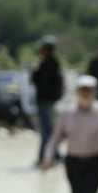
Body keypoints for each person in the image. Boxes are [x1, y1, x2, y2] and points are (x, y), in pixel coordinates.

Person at [31, 36, 64, 164]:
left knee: (46, 130)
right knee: (48, 129)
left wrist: (34, 74)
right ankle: (53, 155)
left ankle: (47, 156)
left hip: (45, 100)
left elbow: (41, 82)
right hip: (48, 100)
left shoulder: (48, 64)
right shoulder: (51, 63)